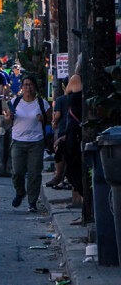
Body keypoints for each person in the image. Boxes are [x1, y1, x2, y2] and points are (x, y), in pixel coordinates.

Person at [4, 74, 52, 213]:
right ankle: (20, 192)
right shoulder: (15, 102)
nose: (28, 88)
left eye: (30, 84)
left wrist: (43, 118)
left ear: (35, 87)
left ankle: (32, 202)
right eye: (25, 85)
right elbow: (7, 121)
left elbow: (50, 120)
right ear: (21, 87)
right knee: (17, 172)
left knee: (34, 174)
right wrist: (8, 118)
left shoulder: (42, 103)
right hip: (18, 141)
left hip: (36, 142)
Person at [51, 75, 84, 206]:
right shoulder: (77, 81)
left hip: (77, 131)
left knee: (75, 166)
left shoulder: (76, 80)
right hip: (73, 130)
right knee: (70, 162)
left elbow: (66, 93)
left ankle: (81, 201)